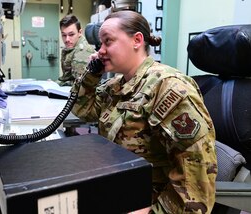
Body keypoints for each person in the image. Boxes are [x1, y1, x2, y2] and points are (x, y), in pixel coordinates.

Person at [71, 10, 218, 214]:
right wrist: (91, 74)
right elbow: (83, 109)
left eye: (108, 41)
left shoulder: (168, 88)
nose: (100, 50)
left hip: (148, 201)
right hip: (117, 185)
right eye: (100, 44)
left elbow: (195, 180)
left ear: (137, 40)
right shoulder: (116, 86)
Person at [57, 14, 95, 86]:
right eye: (64, 35)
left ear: (80, 32)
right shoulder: (71, 47)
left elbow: (81, 84)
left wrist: (59, 84)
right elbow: (68, 77)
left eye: (71, 34)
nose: (67, 39)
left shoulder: (83, 51)